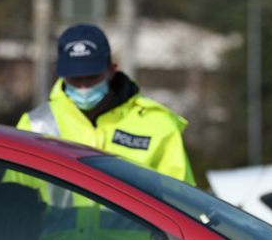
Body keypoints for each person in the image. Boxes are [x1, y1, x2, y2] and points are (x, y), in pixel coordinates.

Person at [17, 23, 195, 185]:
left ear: (112, 71)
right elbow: (16, 196)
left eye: (93, 76)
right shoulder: (35, 125)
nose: (84, 86)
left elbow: (184, 201)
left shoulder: (159, 126)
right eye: (75, 78)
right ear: (58, 72)